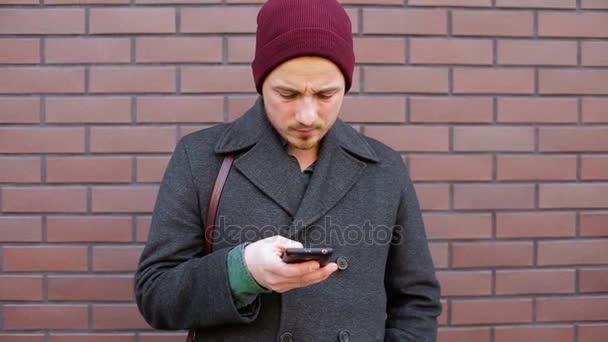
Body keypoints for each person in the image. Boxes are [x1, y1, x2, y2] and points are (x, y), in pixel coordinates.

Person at [134, 0, 442, 341]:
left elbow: (417, 303)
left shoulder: (384, 168)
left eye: (326, 94)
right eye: (288, 93)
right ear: (261, 82)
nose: (308, 115)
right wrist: (243, 271)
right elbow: (155, 294)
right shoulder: (200, 158)